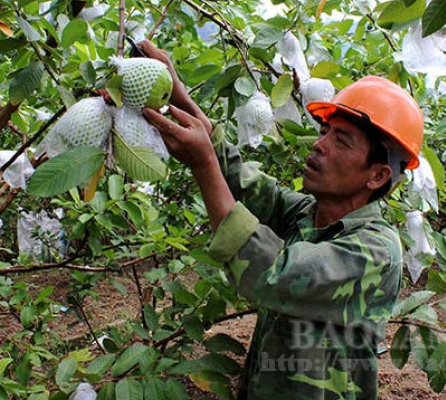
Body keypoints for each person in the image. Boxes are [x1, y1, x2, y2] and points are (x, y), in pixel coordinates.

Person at [137, 40, 424, 400]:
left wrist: (203, 163)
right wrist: (177, 92)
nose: (319, 145)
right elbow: (243, 182)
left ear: (378, 176)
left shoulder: (376, 251)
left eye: (343, 141)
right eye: (324, 133)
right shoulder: (309, 215)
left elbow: (274, 274)